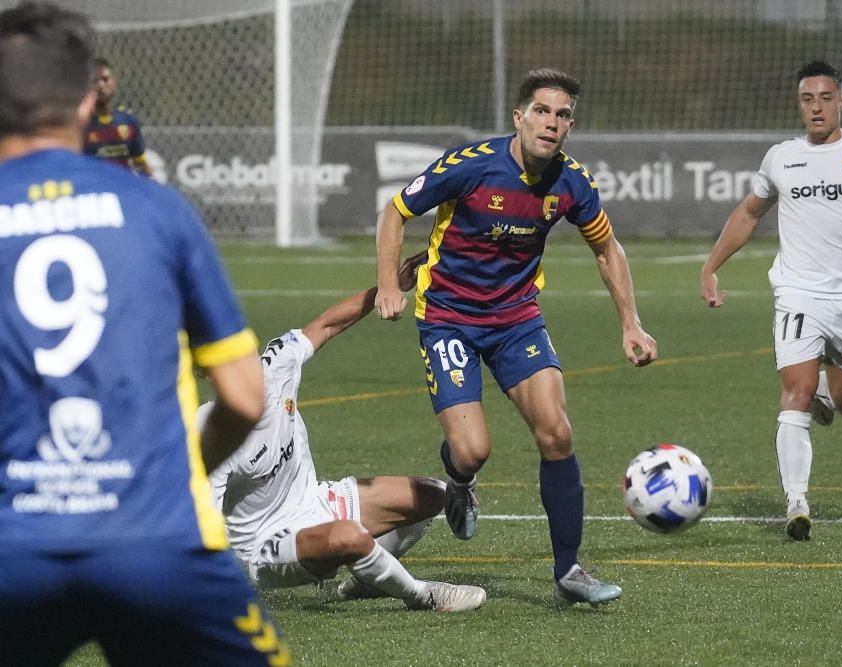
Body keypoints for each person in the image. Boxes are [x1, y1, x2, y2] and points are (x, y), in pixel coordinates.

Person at [0, 3, 287, 664]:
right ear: (84, 103)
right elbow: (246, 396)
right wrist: (169, 477)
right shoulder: (155, 208)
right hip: (158, 547)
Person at [374, 68, 658, 607]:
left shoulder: (572, 182)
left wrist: (631, 322)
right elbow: (396, 211)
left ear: (570, 126)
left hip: (516, 320)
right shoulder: (471, 165)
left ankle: (569, 569)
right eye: (543, 112)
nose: (551, 123)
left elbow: (607, 248)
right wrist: (389, 285)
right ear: (520, 117)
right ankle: (459, 479)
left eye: (563, 115)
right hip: (448, 317)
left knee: (556, 433)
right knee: (472, 450)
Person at [700, 60, 842, 541]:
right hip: (797, 294)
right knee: (794, 396)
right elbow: (749, 212)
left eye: (826, 98)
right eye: (808, 99)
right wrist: (711, 265)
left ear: (841, 101)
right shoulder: (781, 157)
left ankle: (827, 388)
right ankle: (796, 504)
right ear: (799, 104)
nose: (817, 107)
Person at [200, 251, 487, 613]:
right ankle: (422, 596)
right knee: (350, 536)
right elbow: (199, 525)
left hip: (313, 502)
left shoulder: (276, 365)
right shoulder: (208, 431)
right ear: (210, 374)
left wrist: (388, 286)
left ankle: (367, 581)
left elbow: (326, 324)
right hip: (265, 548)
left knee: (433, 496)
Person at [82, 56, 152, 176]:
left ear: (114, 82)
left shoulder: (128, 121)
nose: (100, 85)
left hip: (123, 189)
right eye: (95, 80)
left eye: (105, 79)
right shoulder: (79, 124)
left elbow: (141, 164)